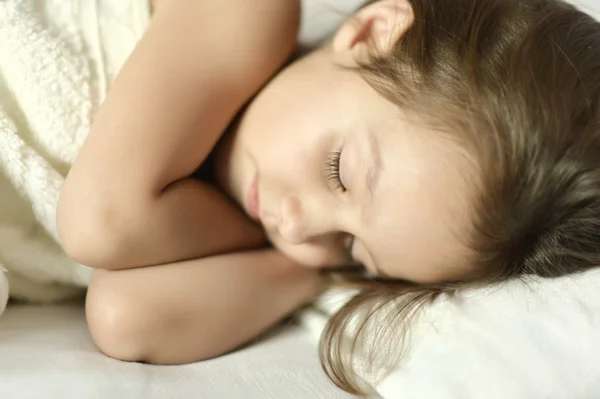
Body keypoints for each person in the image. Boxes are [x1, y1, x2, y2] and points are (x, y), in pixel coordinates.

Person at [56, 0, 600, 394]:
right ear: (369, 33)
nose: (296, 228)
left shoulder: (272, 227)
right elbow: (99, 224)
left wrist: (309, 272)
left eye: (352, 247)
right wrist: (266, 243)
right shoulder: (244, 16)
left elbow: (125, 319)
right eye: (338, 172)